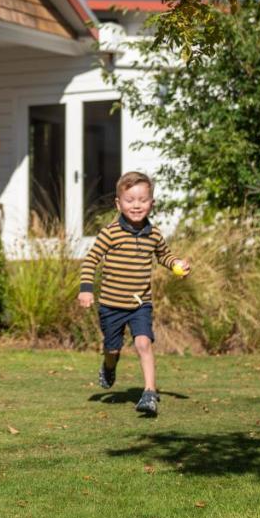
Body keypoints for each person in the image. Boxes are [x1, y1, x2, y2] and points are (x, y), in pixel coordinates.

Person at [77, 171, 190, 416]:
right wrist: (86, 289)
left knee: (143, 343)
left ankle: (149, 392)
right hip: (111, 305)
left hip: (141, 303)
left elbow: (164, 256)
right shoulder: (110, 233)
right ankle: (109, 367)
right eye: (130, 200)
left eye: (142, 200)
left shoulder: (154, 234)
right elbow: (90, 261)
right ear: (119, 204)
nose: (136, 205)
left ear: (152, 203)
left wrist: (176, 265)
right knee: (112, 350)